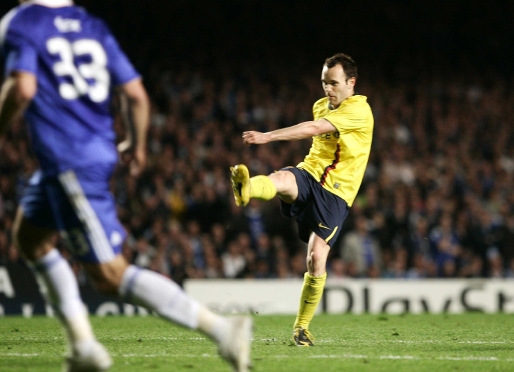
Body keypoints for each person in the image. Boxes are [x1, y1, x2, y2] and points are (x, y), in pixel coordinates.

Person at [0, 1, 251, 371]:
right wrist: (137, 143)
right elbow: (135, 94)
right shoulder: (93, 25)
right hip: (83, 155)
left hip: (70, 160)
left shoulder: (23, 20)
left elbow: (21, 88)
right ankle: (83, 345)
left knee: (110, 275)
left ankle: (223, 330)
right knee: (30, 239)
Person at [230, 53, 373, 346]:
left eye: (333, 83)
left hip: (335, 195)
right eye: (324, 83)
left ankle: (302, 327)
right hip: (310, 174)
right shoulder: (322, 105)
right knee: (283, 179)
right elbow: (314, 135)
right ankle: (247, 189)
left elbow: (313, 128)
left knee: (315, 259)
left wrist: (267, 137)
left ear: (351, 83)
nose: (327, 89)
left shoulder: (360, 111)